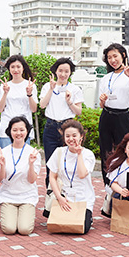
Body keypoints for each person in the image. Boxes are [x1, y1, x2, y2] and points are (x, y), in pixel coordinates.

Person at [98, 43, 129, 186]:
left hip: (122, 117)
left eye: (115, 56)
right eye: (109, 57)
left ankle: (123, 184)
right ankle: (108, 185)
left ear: (123, 55)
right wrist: (102, 101)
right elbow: (101, 104)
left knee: (124, 151)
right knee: (105, 152)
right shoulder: (106, 78)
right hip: (106, 116)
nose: (112, 60)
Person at [40, 57, 84, 190]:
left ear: (70, 73)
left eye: (66, 71)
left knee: (68, 162)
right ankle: (50, 194)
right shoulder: (48, 86)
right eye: (60, 71)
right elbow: (42, 105)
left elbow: (79, 111)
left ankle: (68, 191)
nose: (63, 74)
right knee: (51, 163)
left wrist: (69, 101)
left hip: (68, 128)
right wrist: (50, 89)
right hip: (51, 127)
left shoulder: (75, 89)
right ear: (55, 71)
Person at [0, 116, 42, 235]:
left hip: (27, 197)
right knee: (9, 229)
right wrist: (2, 165)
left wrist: (31, 164)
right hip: (8, 197)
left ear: (27, 131)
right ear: (10, 132)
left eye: (22, 130)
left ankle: (23, 215)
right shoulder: (3, 152)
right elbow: (1, 179)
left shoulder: (33, 153)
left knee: (24, 230)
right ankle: (12, 214)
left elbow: (32, 180)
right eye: (14, 130)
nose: (18, 133)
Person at [47, 120, 95, 234]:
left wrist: (79, 154)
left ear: (81, 137)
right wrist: (60, 198)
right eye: (67, 136)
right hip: (65, 197)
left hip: (83, 198)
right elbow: (52, 177)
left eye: (74, 135)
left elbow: (82, 174)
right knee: (57, 227)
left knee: (82, 228)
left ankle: (89, 216)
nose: (71, 139)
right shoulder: (59, 152)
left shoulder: (88, 154)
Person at [0, 55, 38, 149]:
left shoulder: (30, 86)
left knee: (23, 159)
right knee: (6, 159)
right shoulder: (4, 86)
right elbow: (0, 109)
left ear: (23, 68)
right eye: (12, 67)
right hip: (6, 127)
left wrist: (29, 94)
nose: (16, 70)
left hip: (24, 128)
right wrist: (5, 93)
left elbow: (34, 109)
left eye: (18, 67)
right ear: (9, 69)